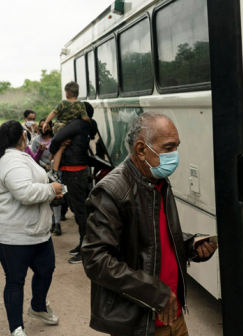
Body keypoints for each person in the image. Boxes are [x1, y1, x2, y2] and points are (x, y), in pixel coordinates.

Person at [81, 112, 218, 336]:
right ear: (141, 149)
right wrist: (155, 293)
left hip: (172, 316)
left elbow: (155, 240)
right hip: (140, 323)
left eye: (177, 147)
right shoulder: (112, 191)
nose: (175, 154)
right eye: (169, 147)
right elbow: (96, 260)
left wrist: (191, 246)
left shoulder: (158, 182)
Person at [0, 120, 64, 336]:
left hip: (36, 232)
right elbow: (26, 193)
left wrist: (56, 187)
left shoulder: (21, 156)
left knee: (46, 269)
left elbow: (35, 181)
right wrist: (51, 189)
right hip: (11, 235)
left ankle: (38, 307)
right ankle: (16, 328)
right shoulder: (11, 161)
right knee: (15, 280)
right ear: (22, 135)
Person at [49, 110, 92, 264]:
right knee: (75, 209)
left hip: (74, 175)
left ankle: (85, 249)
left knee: (80, 212)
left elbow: (55, 144)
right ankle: (82, 244)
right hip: (68, 176)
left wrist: (55, 148)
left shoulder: (80, 125)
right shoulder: (78, 129)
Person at [32, 118, 63, 236]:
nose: (42, 128)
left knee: (60, 195)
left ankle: (58, 223)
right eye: (40, 126)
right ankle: (50, 223)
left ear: (50, 127)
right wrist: (44, 165)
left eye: (45, 126)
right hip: (43, 172)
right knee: (47, 197)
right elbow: (34, 157)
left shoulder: (56, 140)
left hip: (57, 172)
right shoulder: (36, 140)